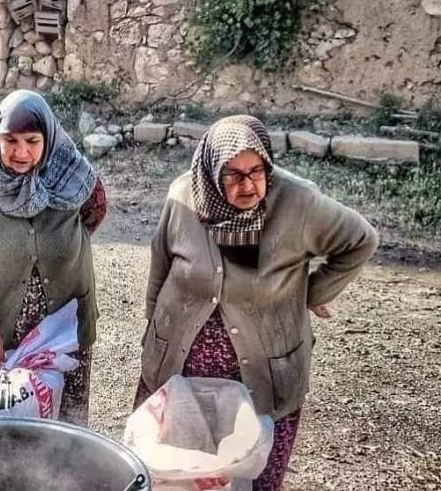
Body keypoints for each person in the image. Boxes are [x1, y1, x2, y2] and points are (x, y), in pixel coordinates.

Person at [135, 115, 379, 491]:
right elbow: (160, 269)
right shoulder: (184, 197)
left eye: (257, 170)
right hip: (180, 370)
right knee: (170, 475)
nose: (248, 184)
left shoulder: (299, 203)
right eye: (232, 174)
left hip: (261, 378)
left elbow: (360, 240)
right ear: (211, 174)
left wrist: (310, 295)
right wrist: (153, 336)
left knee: (256, 476)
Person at [0, 89, 107, 426]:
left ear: (48, 136)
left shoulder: (73, 174)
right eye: (10, 140)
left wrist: (57, 248)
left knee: (61, 442)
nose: (21, 152)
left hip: (61, 339)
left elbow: (93, 214)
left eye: (32, 141)